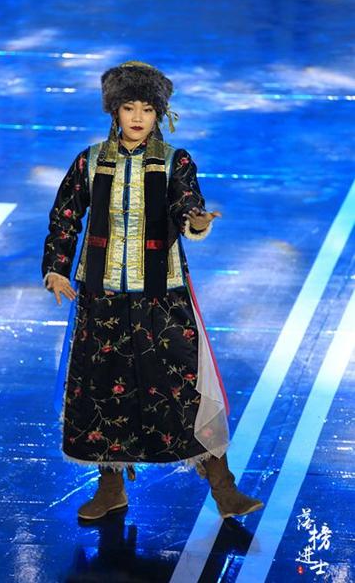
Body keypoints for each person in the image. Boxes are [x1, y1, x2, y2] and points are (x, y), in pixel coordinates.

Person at [41, 60, 263, 521]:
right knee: (102, 387)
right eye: (129, 108)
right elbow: (65, 216)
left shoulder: (175, 161)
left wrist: (195, 219)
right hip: (102, 295)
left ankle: (223, 488)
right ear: (114, 111)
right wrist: (57, 269)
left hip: (162, 295)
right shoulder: (89, 161)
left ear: (159, 113)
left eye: (146, 108)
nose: (138, 117)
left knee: (183, 386)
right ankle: (110, 488)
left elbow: (186, 202)